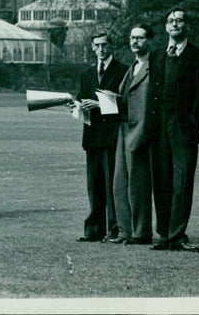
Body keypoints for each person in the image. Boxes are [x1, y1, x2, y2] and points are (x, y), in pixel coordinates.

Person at [149, 8, 199, 252]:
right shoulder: (157, 56)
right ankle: (164, 235)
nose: (174, 24)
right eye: (170, 21)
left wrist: (193, 125)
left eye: (179, 20)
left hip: (184, 128)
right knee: (162, 181)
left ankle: (177, 235)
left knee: (182, 181)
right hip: (159, 128)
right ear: (165, 27)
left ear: (187, 26)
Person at [74, 32, 127, 242]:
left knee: (111, 184)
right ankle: (95, 229)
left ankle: (114, 229)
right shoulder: (86, 73)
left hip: (112, 135)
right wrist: (76, 105)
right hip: (92, 136)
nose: (101, 49)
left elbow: (125, 102)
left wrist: (98, 105)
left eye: (104, 45)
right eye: (97, 45)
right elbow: (81, 98)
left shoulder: (123, 71)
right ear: (92, 47)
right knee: (94, 184)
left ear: (110, 46)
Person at [109, 24, 156, 246]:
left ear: (149, 41)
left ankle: (141, 232)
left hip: (140, 130)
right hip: (123, 128)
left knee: (138, 184)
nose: (134, 41)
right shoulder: (133, 67)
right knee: (120, 182)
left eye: (139, 37)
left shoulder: (154, 67)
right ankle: (125, 231)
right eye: (131, 37)